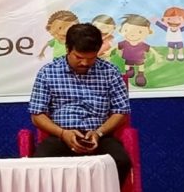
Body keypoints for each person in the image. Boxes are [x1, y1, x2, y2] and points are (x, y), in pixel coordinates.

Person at [28, 23, 132, 186]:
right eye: (79, 57)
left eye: (91, 58)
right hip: (61, 136)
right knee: (39, 165)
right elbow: (37, 115)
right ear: (68, 49)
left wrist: (98, 133)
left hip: (100, 135)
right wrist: (63, 133)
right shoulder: (48, 72)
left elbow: (121, 112)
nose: (84, 63)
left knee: (121, 161)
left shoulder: (110, 72)